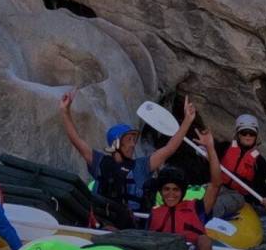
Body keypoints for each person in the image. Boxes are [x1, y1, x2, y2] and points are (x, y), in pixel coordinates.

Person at [58, 91, 195, 228]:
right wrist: (65, 111)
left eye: (134, 140)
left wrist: (187, 121)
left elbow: (169, 148)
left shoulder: (142, 166)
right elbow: (76, 140)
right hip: (104, 226)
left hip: (133, 230)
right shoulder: (100, 163)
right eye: (129, 139)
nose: (133, 144)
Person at [146, 129, 225, 250]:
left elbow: (216, 184)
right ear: (161, 191)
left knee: (204, 240)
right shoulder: (155, 213)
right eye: (167, 189)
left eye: (175, 189)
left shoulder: (197, 208)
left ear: (182, 192)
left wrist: (210, 148)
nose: (171, 194)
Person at [212, 112, 266, 220]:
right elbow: (207, 152)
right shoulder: (224, 147)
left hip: (237, 196)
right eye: (244, 132)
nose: (248, 136)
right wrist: (203, 148)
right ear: (238, 134)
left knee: (216, 204)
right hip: (215, 186)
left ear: (256, 136)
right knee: (193, 195)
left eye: (251, 133)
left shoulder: (259, 160)